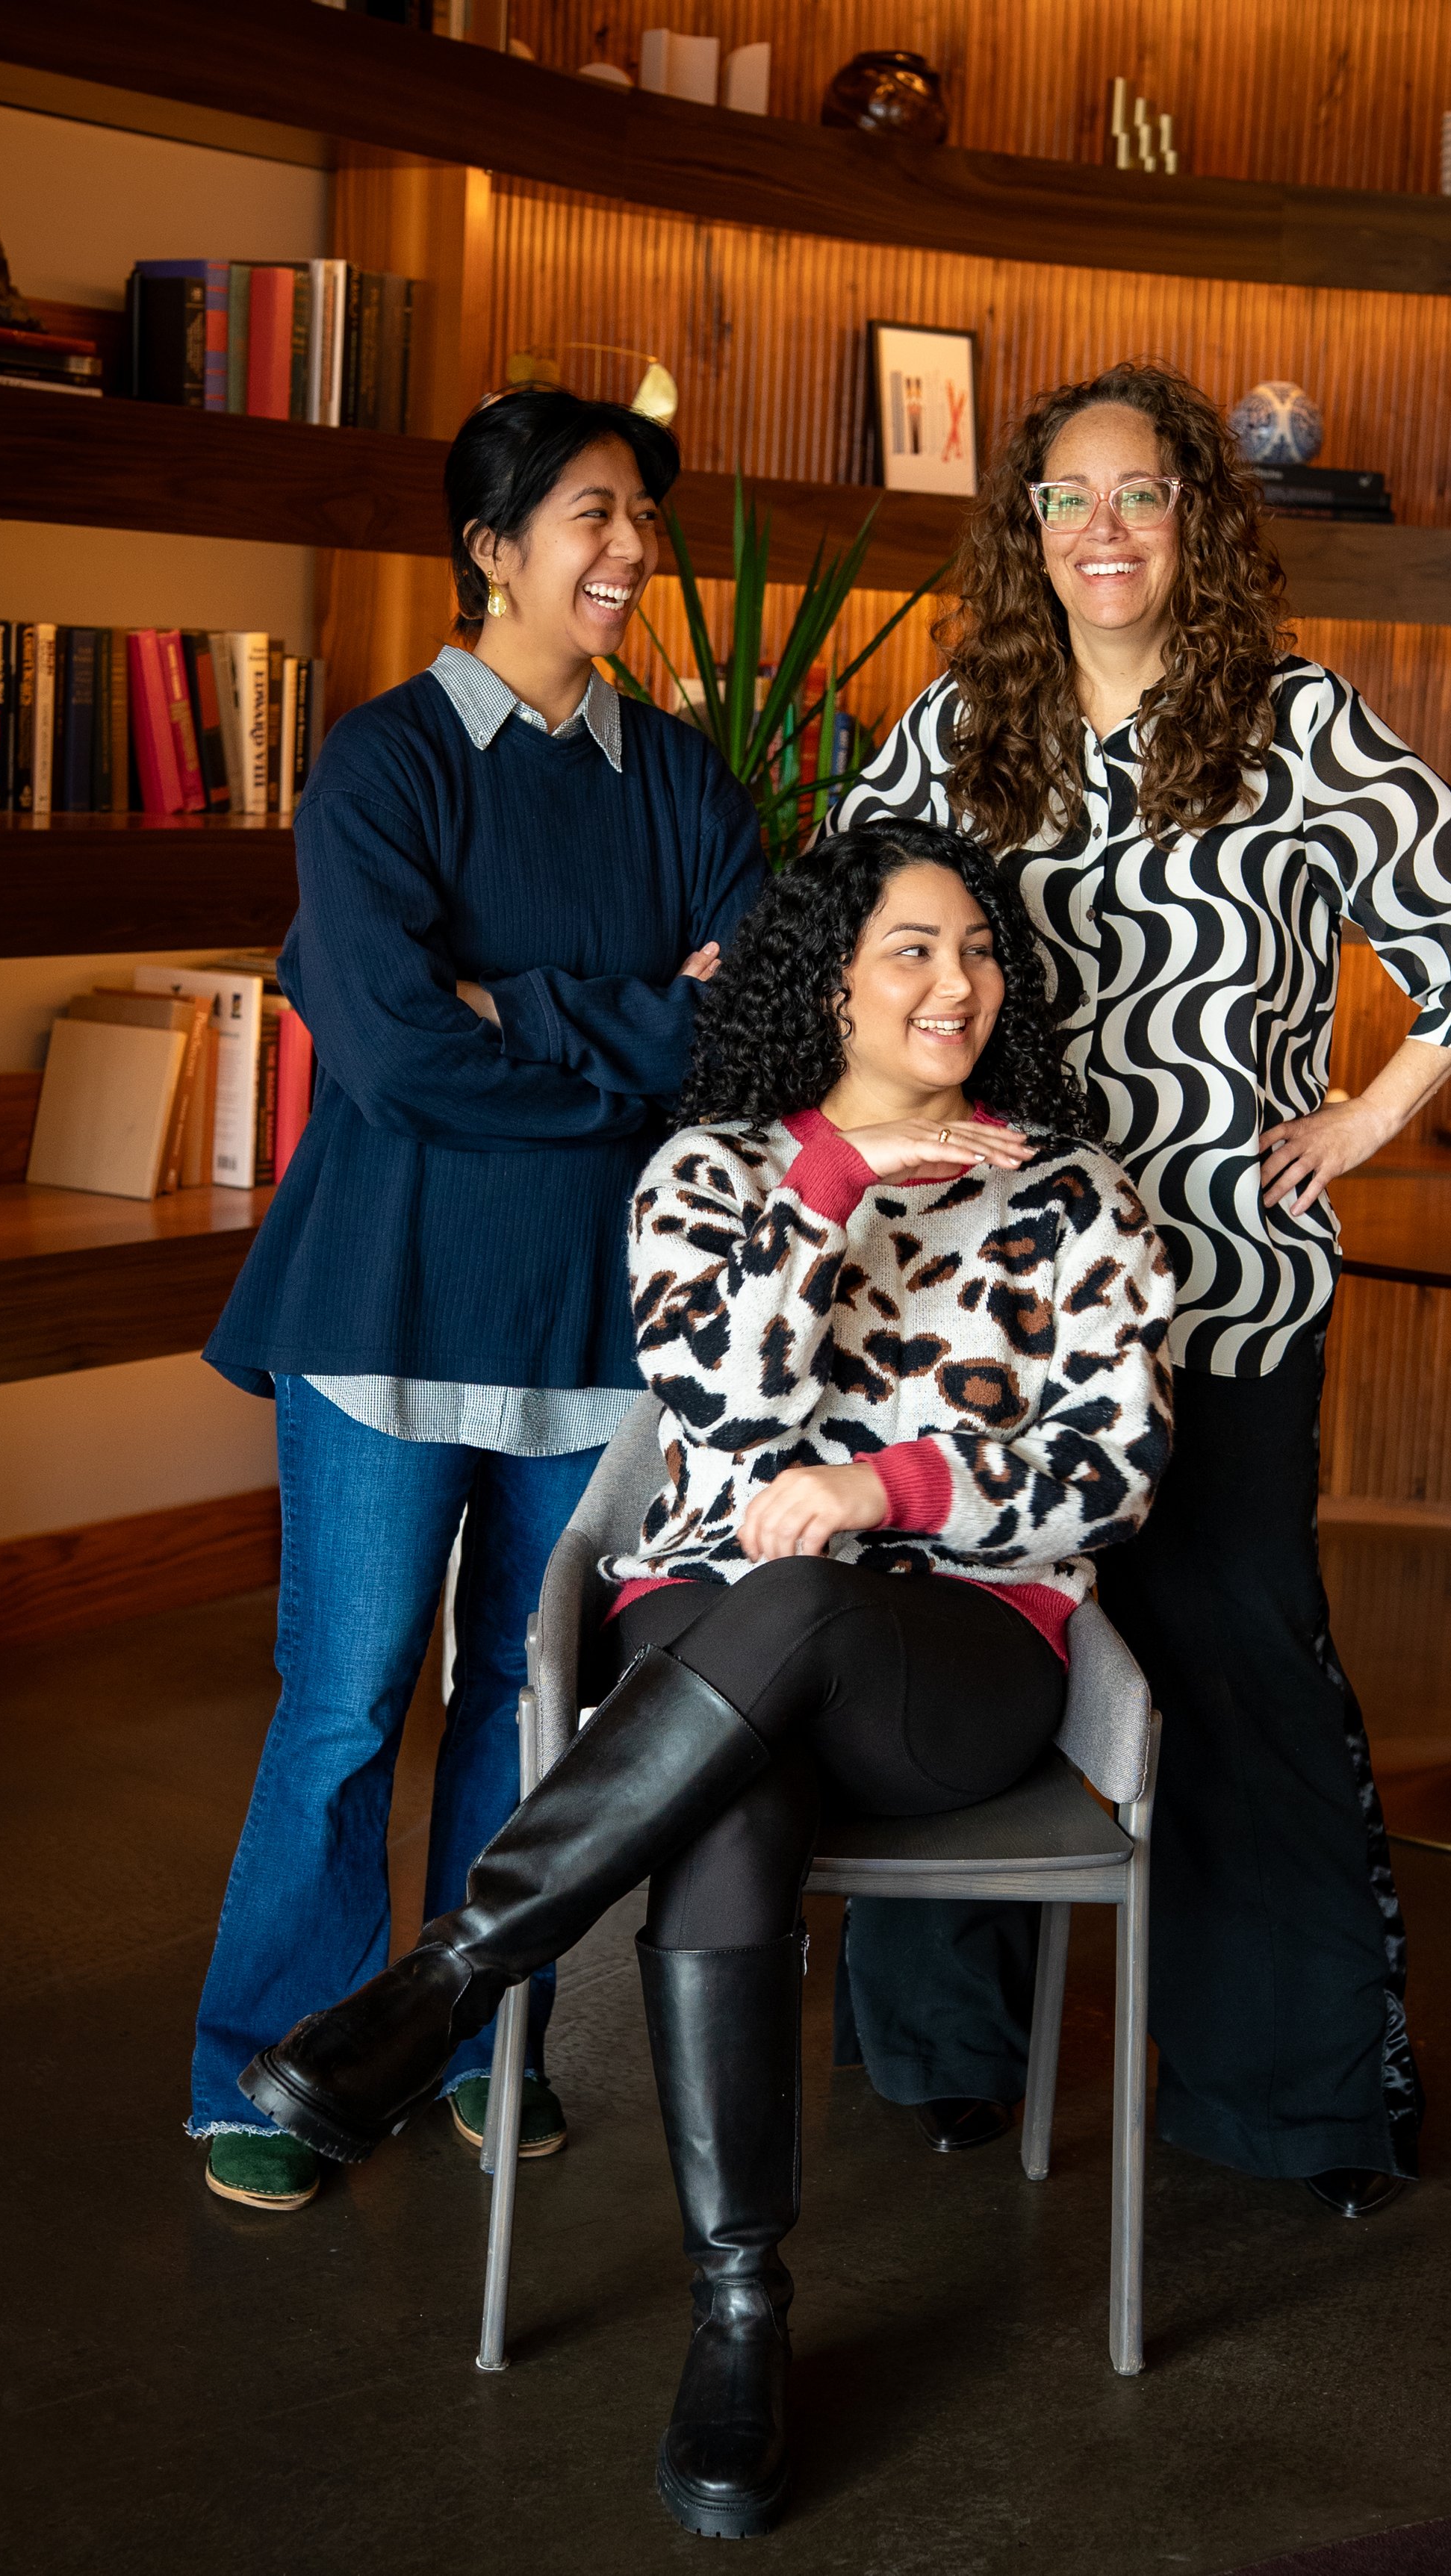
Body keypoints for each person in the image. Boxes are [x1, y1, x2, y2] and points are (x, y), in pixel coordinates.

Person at [240, 821, 1176, 2536]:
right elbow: (727, 1425)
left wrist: (885, 1489)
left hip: (954, 1662)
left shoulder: (1071, 1192)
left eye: (976, 948)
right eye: (909, 948)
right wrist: (829, 1189)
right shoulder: (709, 1171)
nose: (955, 982)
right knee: (730, 1786)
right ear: (825, 982)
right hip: (714, 1644)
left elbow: (1109, 1469)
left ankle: (456, 1968)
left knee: (799, 1605)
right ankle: (738, 2317)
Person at [831, 361, 1451, 2214]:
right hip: (990, 1301)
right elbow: (842, 936)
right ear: (1027, 530)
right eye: (1066, 499)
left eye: (1139, 494)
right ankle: (940, 2051)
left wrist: (1364, 1118)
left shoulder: (1287, 719)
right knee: (962, 1634)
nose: (1103, 531)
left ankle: (1292, 2097)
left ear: (1192, 522)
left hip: (1224, 1289)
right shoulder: (957, 726)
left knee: (1235, 1660)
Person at [188, 387, 766, 2210]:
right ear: (492, 550)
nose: (630, 550)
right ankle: (269, 2066)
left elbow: (748, 1035)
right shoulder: (384, 765)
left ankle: (469, 2040)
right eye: (592, 513)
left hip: (598, 1315)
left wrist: (512, 1006)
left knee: (527, 1701)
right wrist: (625, 1045)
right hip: (383, 1300)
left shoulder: (682, 781)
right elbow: (386, 1053)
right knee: (347, 1700)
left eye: (641, 518)